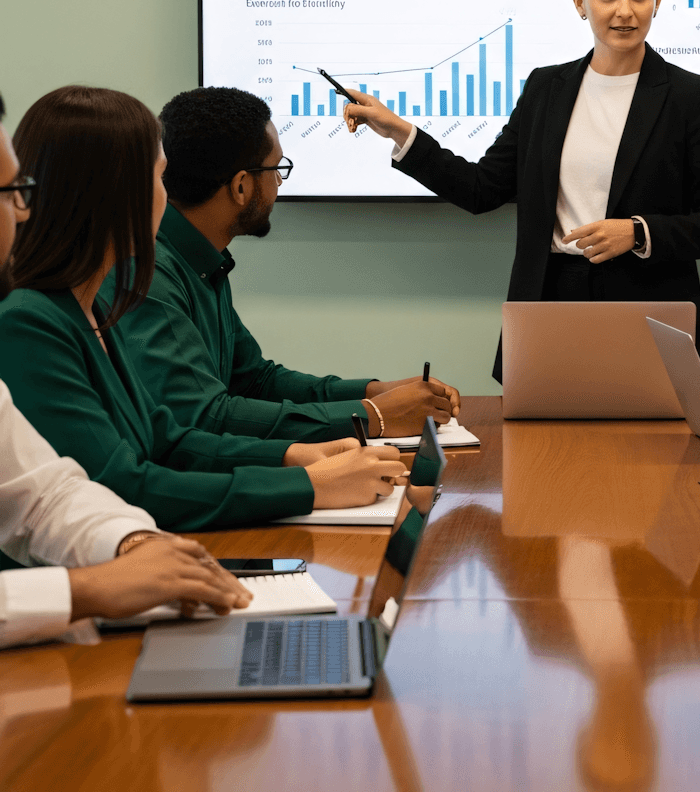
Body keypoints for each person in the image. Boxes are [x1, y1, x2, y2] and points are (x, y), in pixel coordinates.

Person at [342, 0, 700, 383]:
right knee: (543, 448)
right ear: (580, 3)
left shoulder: (691, 96)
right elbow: (482, 188)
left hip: (648, 305)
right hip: (549, 300)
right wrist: (398, 131)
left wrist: (636, 233)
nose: (625, 11)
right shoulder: (545, 89)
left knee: (648, 450)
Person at [0, 86, 407, 532]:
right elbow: (121, 485)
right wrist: (307, 484)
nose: (168, 194)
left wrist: (294, 455)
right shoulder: (29, 321)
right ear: (112, 194)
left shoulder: (92, 305)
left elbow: (166, 440)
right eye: (159, 177)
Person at [0, 92, 250, 647]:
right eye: (12, 193)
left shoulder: (93, 308)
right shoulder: (26, 321)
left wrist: (134, 544)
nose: (22, 210)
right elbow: (123, 474)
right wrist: (87, 589)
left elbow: (46, 495)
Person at [105, 86, 459, 442]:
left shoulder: (202, 261)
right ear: (241, 187)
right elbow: (206, 417)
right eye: (277, 169)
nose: (278, 182)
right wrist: (374, 416)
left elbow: (255, 380)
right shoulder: (148, 274)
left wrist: (374, 392)